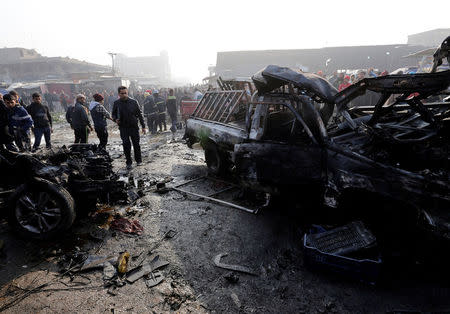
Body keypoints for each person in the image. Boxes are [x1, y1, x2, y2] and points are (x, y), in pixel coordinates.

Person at [112, 86, 146, 169]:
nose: (124, 95)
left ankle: (138, 161)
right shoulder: (116, 103)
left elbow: (140, 114)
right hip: (123, 127)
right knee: (126, 144)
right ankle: (128, 162)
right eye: (122, 93)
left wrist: (143, 126)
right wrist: (115, 119)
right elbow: (113, 114)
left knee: (136, 144)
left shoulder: (134, 102)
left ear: (127, 93)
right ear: (119, 94)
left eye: (125, 93)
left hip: (133, 126)